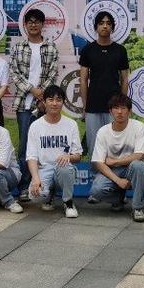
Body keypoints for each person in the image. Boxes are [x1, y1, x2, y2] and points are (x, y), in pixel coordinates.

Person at [8, 8, 60, 200]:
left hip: (45, 105)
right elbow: (14, 72)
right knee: (25, 146)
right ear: (25, 25)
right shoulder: (18, 47)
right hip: (24, 104)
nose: (33, 24)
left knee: (46, 146)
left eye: (37, 21)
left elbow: (53, 73)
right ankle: (23, 187)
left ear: (42, 24)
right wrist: (32, 90)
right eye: (30, 21)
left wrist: (42, 97)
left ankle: (46, 187)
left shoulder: (51, 47)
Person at [87, 94, 144, 222]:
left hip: (131, 168)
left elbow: (140, 155)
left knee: (138, 165)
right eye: (116, 108)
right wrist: (118, 181)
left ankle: (137, 208)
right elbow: (99, 162)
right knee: (96, 191)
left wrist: (115, 161)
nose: (119, 112)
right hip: (113, 171)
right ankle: (118, 199)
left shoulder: (138, 126)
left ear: (129, 111)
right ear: (110, 111)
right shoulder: (103, 131)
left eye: (123, 108)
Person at [26, 85, 84, 217]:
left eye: (58, 100)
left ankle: (68, 202)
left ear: (63, 102)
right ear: (44, 101)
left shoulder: (71, 124)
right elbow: (31, 157)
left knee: (65, 168)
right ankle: (49, 195)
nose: (54, 103)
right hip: (45, 169)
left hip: (63, 169)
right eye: (51, 99)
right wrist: (35, 178)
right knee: (35, 196)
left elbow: (78, 155)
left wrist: (69, 157)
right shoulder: (35, 126)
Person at [78, 11, 130, 153]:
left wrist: (122, 104)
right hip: (93, 105)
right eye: (101, 23)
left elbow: (125, 79)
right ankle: (95, 168)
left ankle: (114, 168)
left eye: (108, 23)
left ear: (112, 27)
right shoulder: (88, 50)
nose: (105, 26)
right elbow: (83, 79)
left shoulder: (120, 50)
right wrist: (85, 105)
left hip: (114, 105)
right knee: (94, 146)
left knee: (114, 145)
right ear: (96, 27)